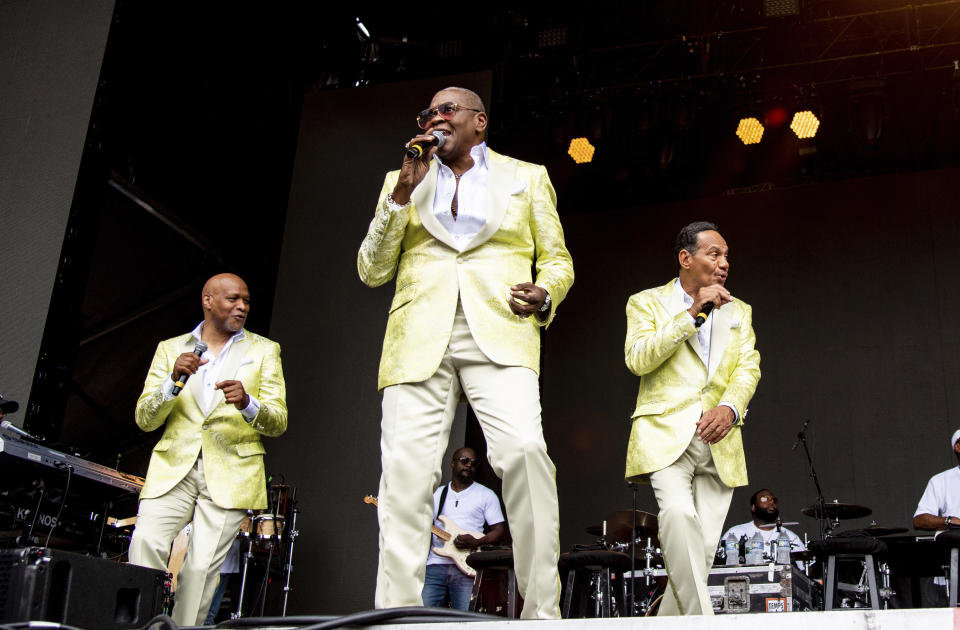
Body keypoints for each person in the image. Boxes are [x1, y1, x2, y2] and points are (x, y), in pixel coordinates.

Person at [358, 86, 574, 619]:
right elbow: (372, 270)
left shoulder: (526, 176)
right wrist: (402, 195)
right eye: (429, 112)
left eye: (447, 110)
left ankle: (541, 612)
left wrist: (546, 293)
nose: (436, 118)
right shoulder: (402, 180)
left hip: (501, 327)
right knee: (405, 479)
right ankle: (396, 614)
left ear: (480, 121)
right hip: (416, 337)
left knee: (525, 453)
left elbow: (558, 260)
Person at [128, 273, 287, 627]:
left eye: (246, 300)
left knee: (200, 570)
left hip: (231, 471)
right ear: (208, 300)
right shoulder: (171, 349)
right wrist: (172, 382)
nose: (242, 306)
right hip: (174, 467)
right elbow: (145, 419)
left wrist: (248, 403)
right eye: (233, 299)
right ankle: (144, 625)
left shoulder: (264, 349)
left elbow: (277, 421)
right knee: (144, 543)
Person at [623, 221, 761, 616]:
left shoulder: (740, 311)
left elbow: (748, 368)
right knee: (679, 518)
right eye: (714, 254)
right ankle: (705, 624)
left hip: (720, 440)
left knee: (696, 557)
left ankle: (665, 621)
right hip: (665, 434)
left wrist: (729, 409)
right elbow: (638, 359)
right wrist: (692, 313)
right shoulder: (645, 302)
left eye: (727, 256)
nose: (724, 263)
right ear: (685, 258)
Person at [423, 447, 506, 610]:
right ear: (452, 464)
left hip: (467, 565)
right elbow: (423, 525)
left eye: (474, 463)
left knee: (465, 620)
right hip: (435, 565)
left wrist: (476, 541)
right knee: (421, 618)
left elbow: (499, 530)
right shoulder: (437, 494)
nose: (469, 465)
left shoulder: (486, 495)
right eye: (464, 461)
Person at [722, 488, 806, 565]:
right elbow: (719, 564)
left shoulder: (790, 537)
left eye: (773, 500)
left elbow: (804, 570)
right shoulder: (735, 533)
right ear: (753, 507)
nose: (771, 502)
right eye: (764, 499)